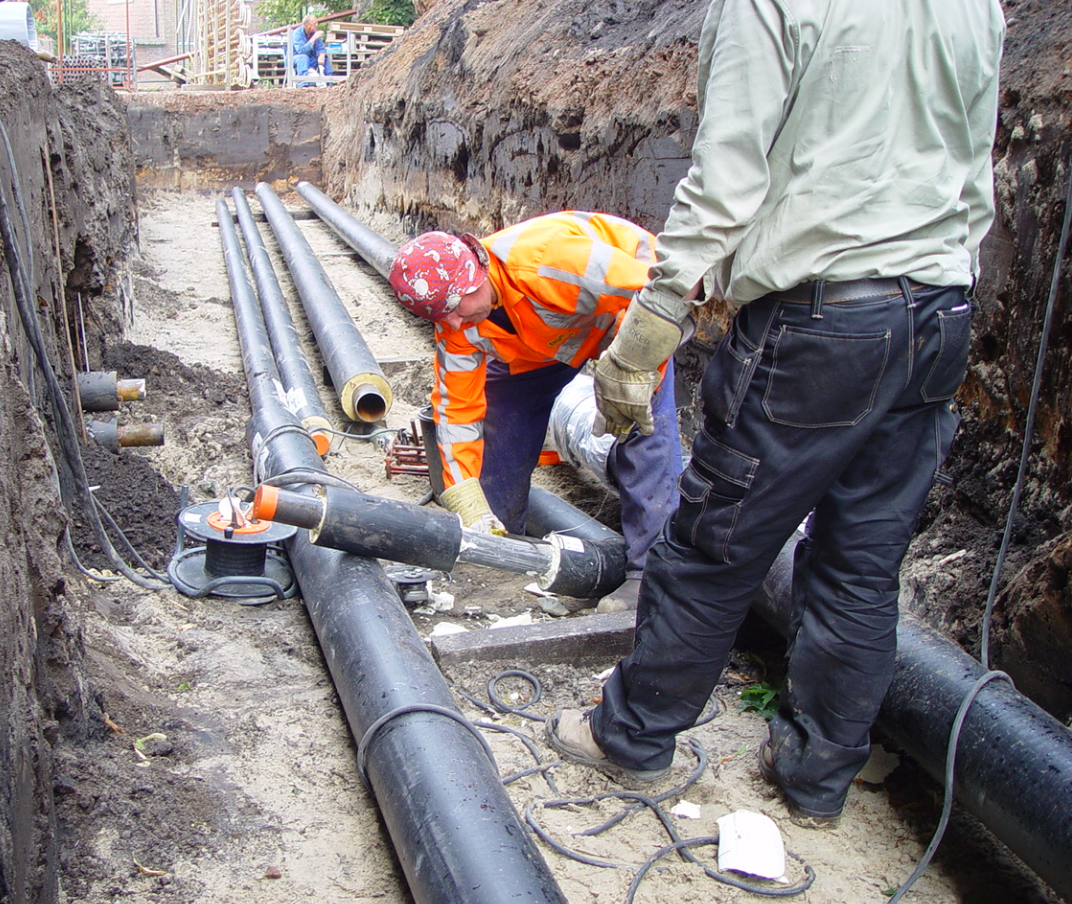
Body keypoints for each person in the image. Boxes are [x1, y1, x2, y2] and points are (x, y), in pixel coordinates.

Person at [546, 0, 1005, 829]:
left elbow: (726, 177)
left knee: (715, 543)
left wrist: (650, 328)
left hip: (823, 317)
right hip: (939, 315)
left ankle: (632, 737)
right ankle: (817, 776)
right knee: (862, 563)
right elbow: (977, 166)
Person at [388, 212, 685, 612]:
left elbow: (665, 293)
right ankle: (500, 545)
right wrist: (467, 501)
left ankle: (650, 575)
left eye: (456, 306)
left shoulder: (549, 262)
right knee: (499, 418)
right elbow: (456, 413)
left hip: (631, 316)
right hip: (546, 343)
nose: (454, 321)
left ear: (476, 269)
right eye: (441, 315)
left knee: (641, 429)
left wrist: (636, 363)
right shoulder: (456, 321)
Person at [290, 14, 332, 81]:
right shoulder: (297, 34)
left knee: (325, 57)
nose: (316, 25)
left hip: (310, 60)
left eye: (316, 23)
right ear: (307, 25)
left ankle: (330, 82)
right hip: (297, 59)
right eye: (314, 23)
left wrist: (321, 54)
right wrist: (313, 38)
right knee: (303, 57)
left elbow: (321, 47)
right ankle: (303, 84)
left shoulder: (314, 33)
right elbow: (301, 51)